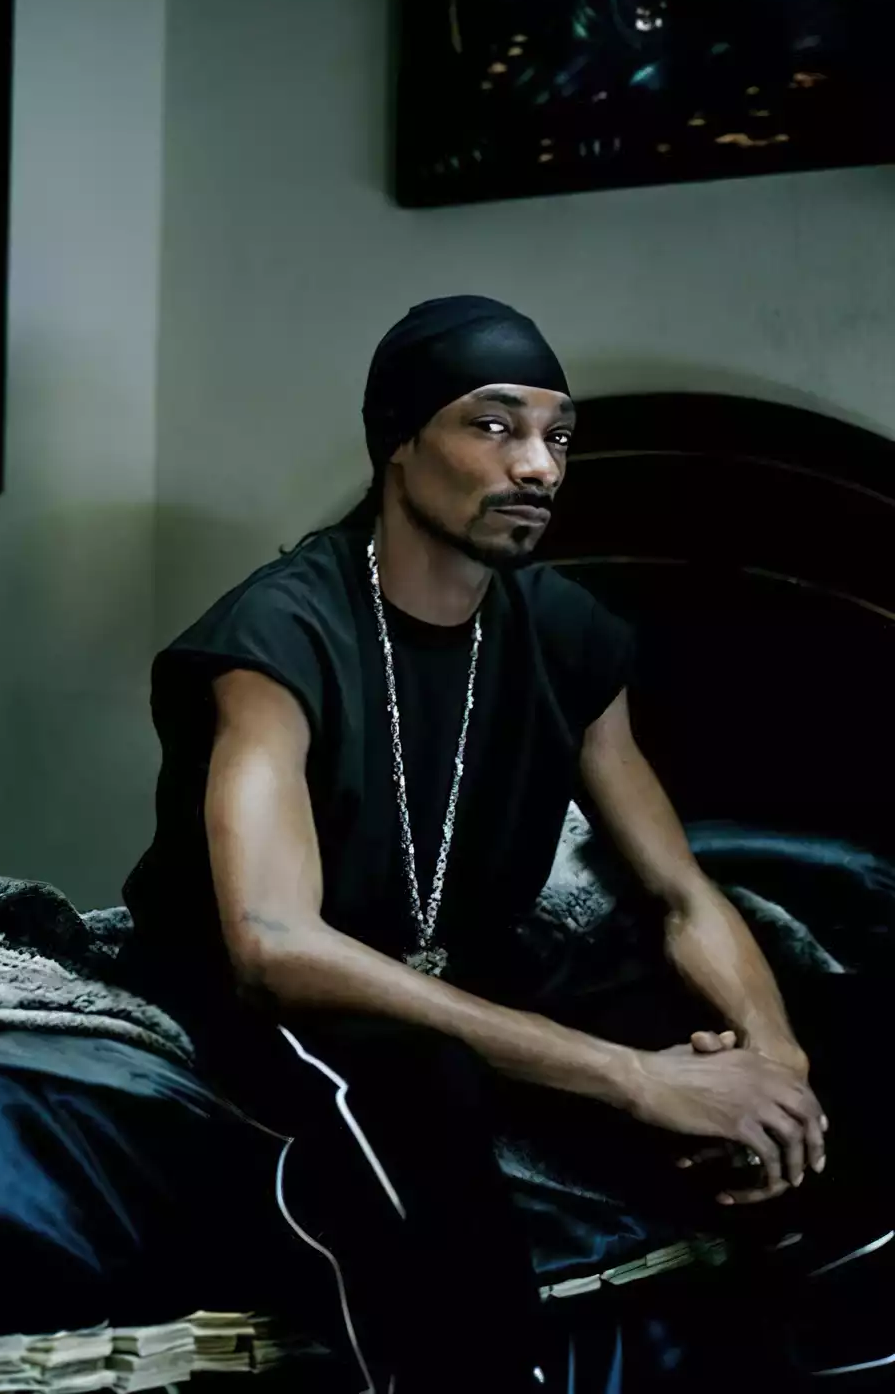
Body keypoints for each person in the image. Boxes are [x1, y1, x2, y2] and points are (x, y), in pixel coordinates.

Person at [119, 295, 892, 1392]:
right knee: (416, 1083)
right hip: (271, 997)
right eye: (493, 425)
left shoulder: (563, 631)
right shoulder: (278, 635)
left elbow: (679, 894)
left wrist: (773, 1064)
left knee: (847, 1035)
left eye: (558, 436)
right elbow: (274, 946)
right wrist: (633, 1079)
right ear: (397, 440)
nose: (538, 466)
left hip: (460, 971)